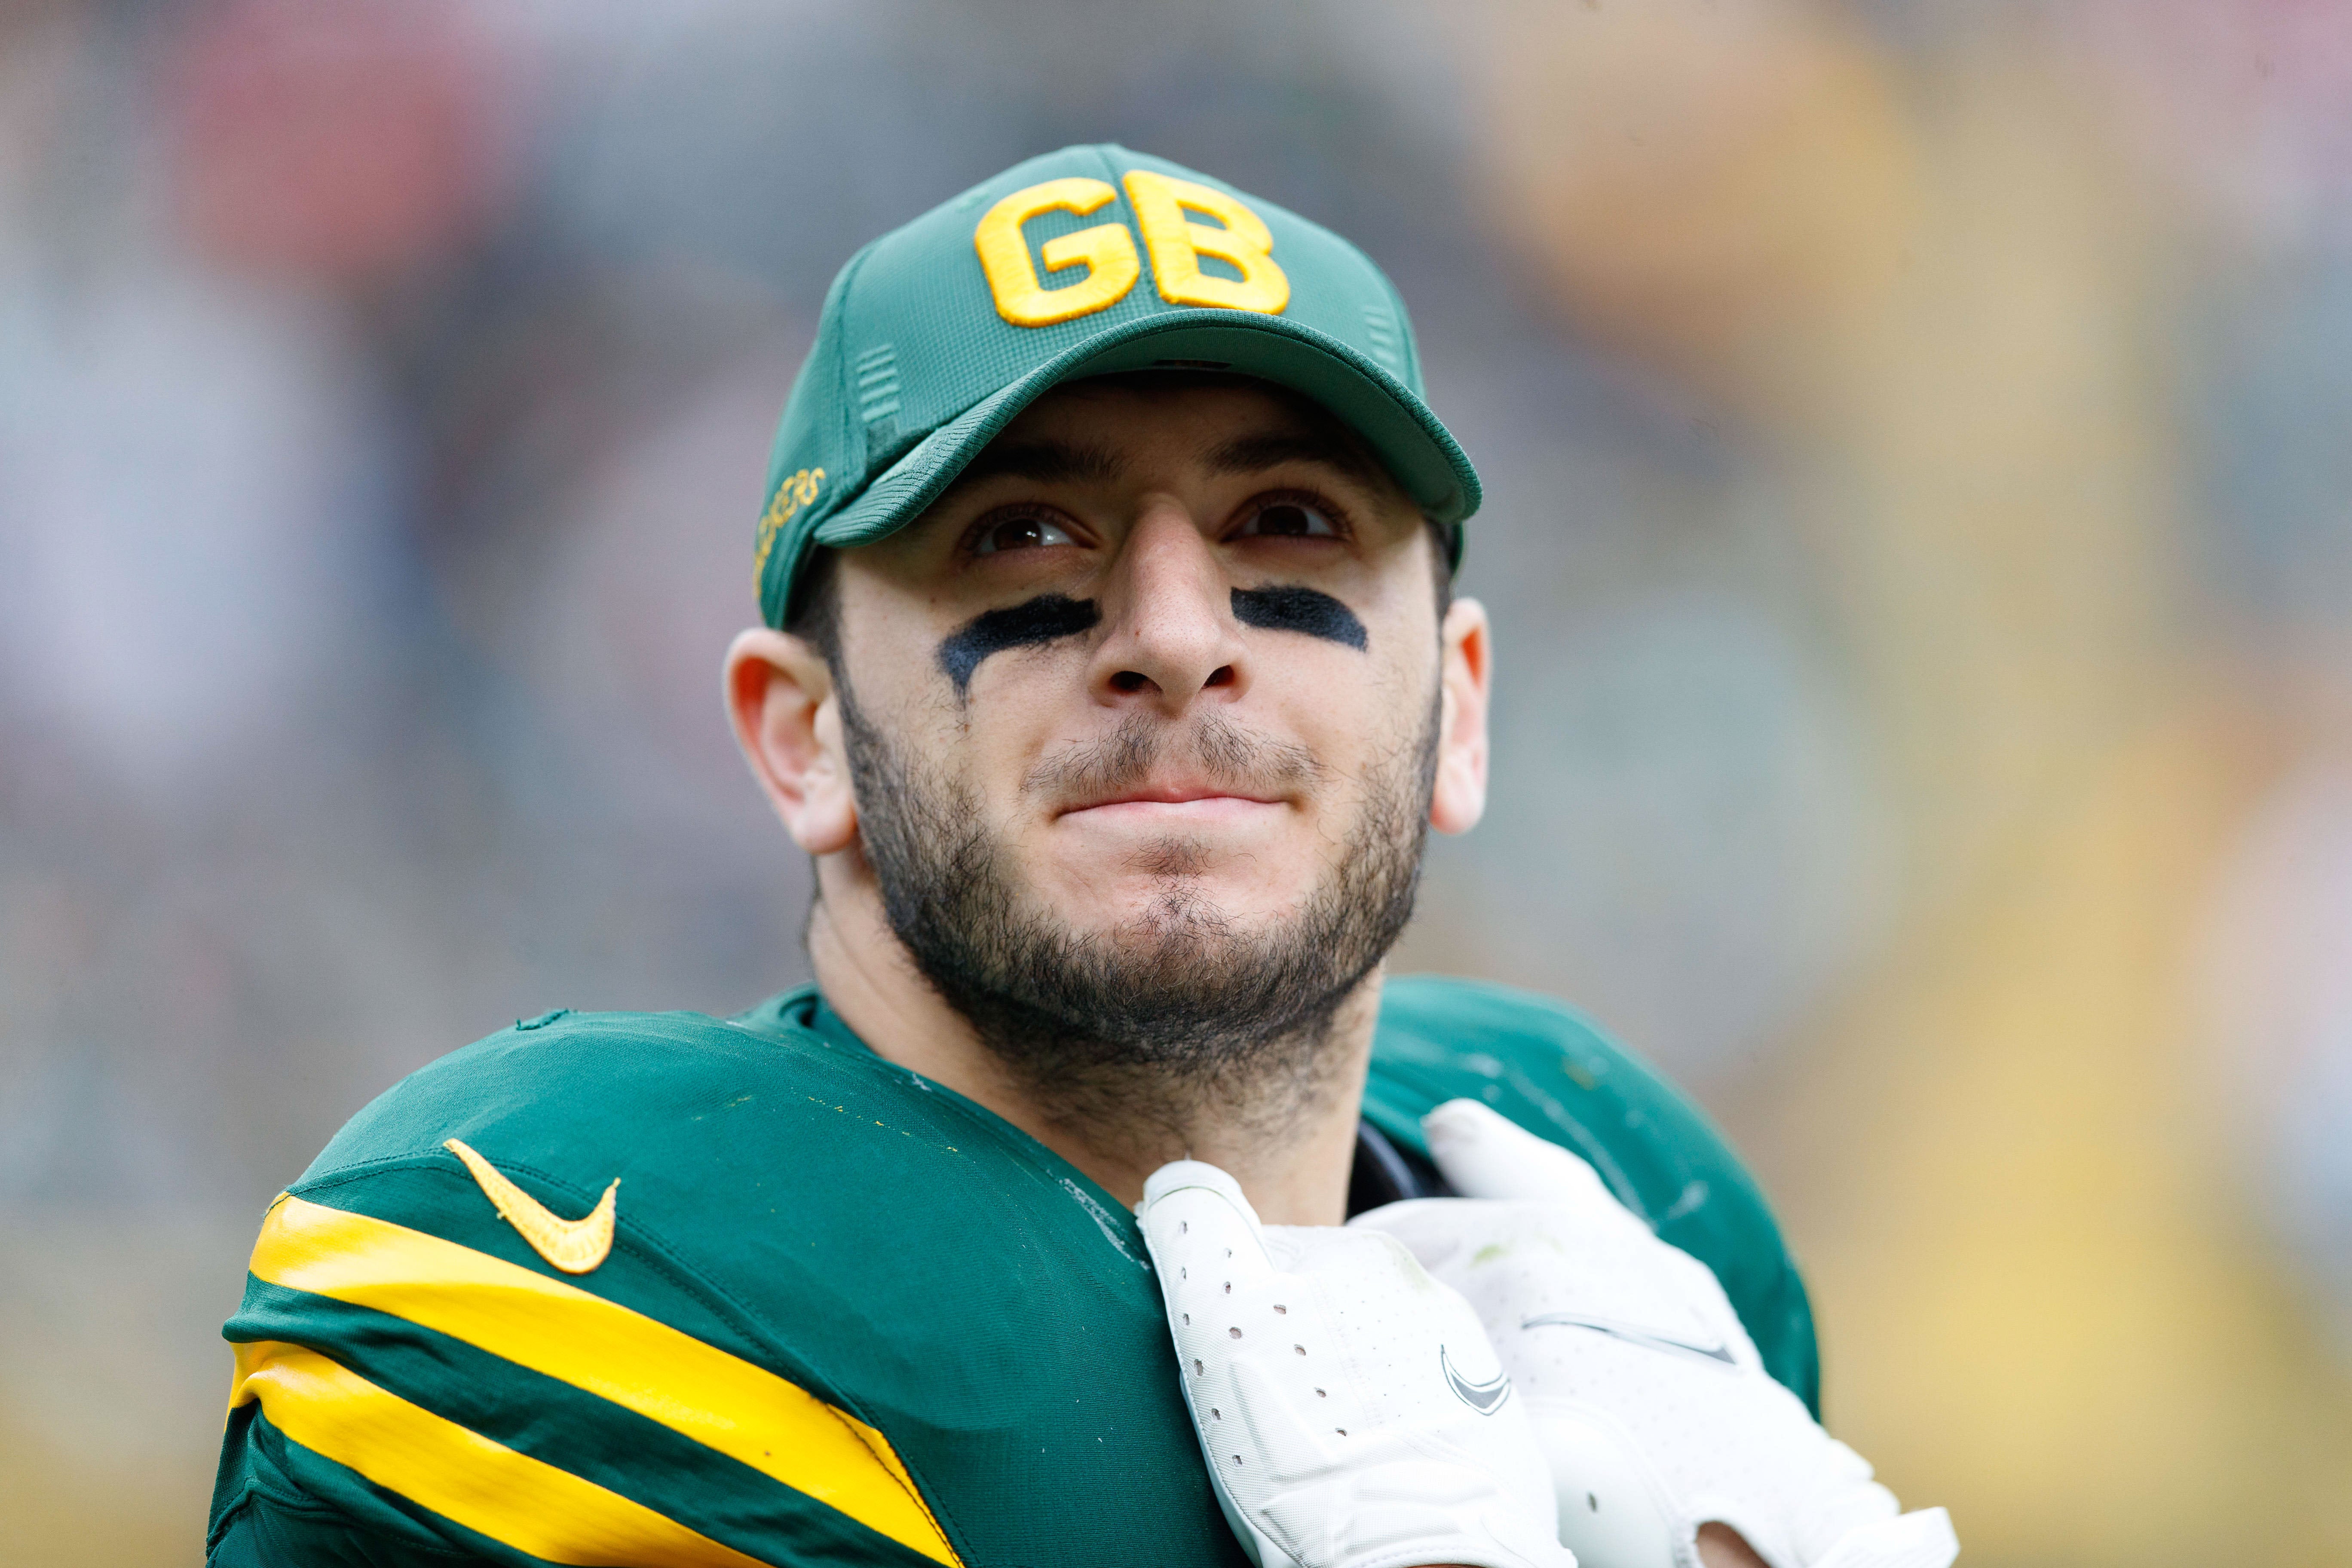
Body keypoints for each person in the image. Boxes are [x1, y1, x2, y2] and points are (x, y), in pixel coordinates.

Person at [206, 146, 1951, 1568]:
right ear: (802, 737)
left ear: (1463, 712)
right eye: (1024, 531)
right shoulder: (578, 1246)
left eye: (1292, 524)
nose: (1178, 633)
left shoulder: (1621, 1215)